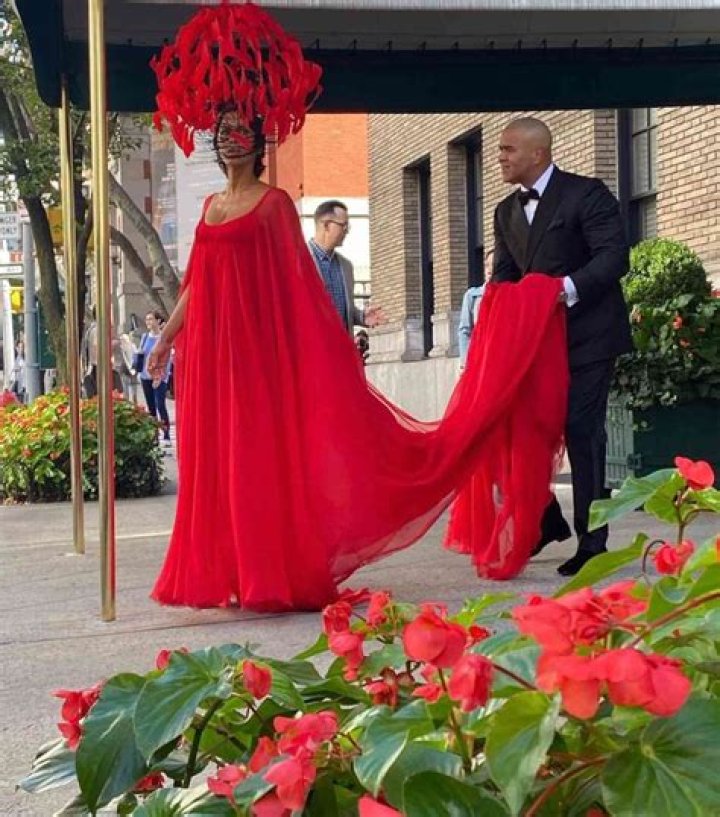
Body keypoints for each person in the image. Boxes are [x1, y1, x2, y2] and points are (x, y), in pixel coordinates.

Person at [492, 116, 633, 576]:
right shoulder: (505, 211)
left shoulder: (586, 194)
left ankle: (593, 542)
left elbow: (614, 257)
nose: (500, 157)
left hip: (590, 335)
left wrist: (563, 290)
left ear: (538, 153)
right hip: (535, 344)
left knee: (581, 430)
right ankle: (546, 520)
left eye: (508, 149)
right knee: (519, 431)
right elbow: (504, 278)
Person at [308, 200, 385, 333]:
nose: (347, 231)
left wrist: (362, 317)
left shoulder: (346, 266)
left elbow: (344, 309)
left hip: (341, 343)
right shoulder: (297, 261)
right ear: (326, 225)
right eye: (343, 225)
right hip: (310, 342)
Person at [136, 311, 171, 441]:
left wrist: (161, 377)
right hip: (146, 377)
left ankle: (166, 433)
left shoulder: (163, 338)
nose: (148, 322)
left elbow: (167, 360)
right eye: (147, 319)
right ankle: (154, 434)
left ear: (158, 321)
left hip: (160, 378)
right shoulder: (145, 337)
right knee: (151, 407)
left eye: (151, 319)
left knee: (160, 404)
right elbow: (141, 354)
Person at [458, 249, 494, 369]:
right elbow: (465, 330)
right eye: (487, 265)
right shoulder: (472, 295)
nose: (489, 270)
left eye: (493, 265)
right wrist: (465, 363)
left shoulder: (508, 295)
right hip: (477, 358)